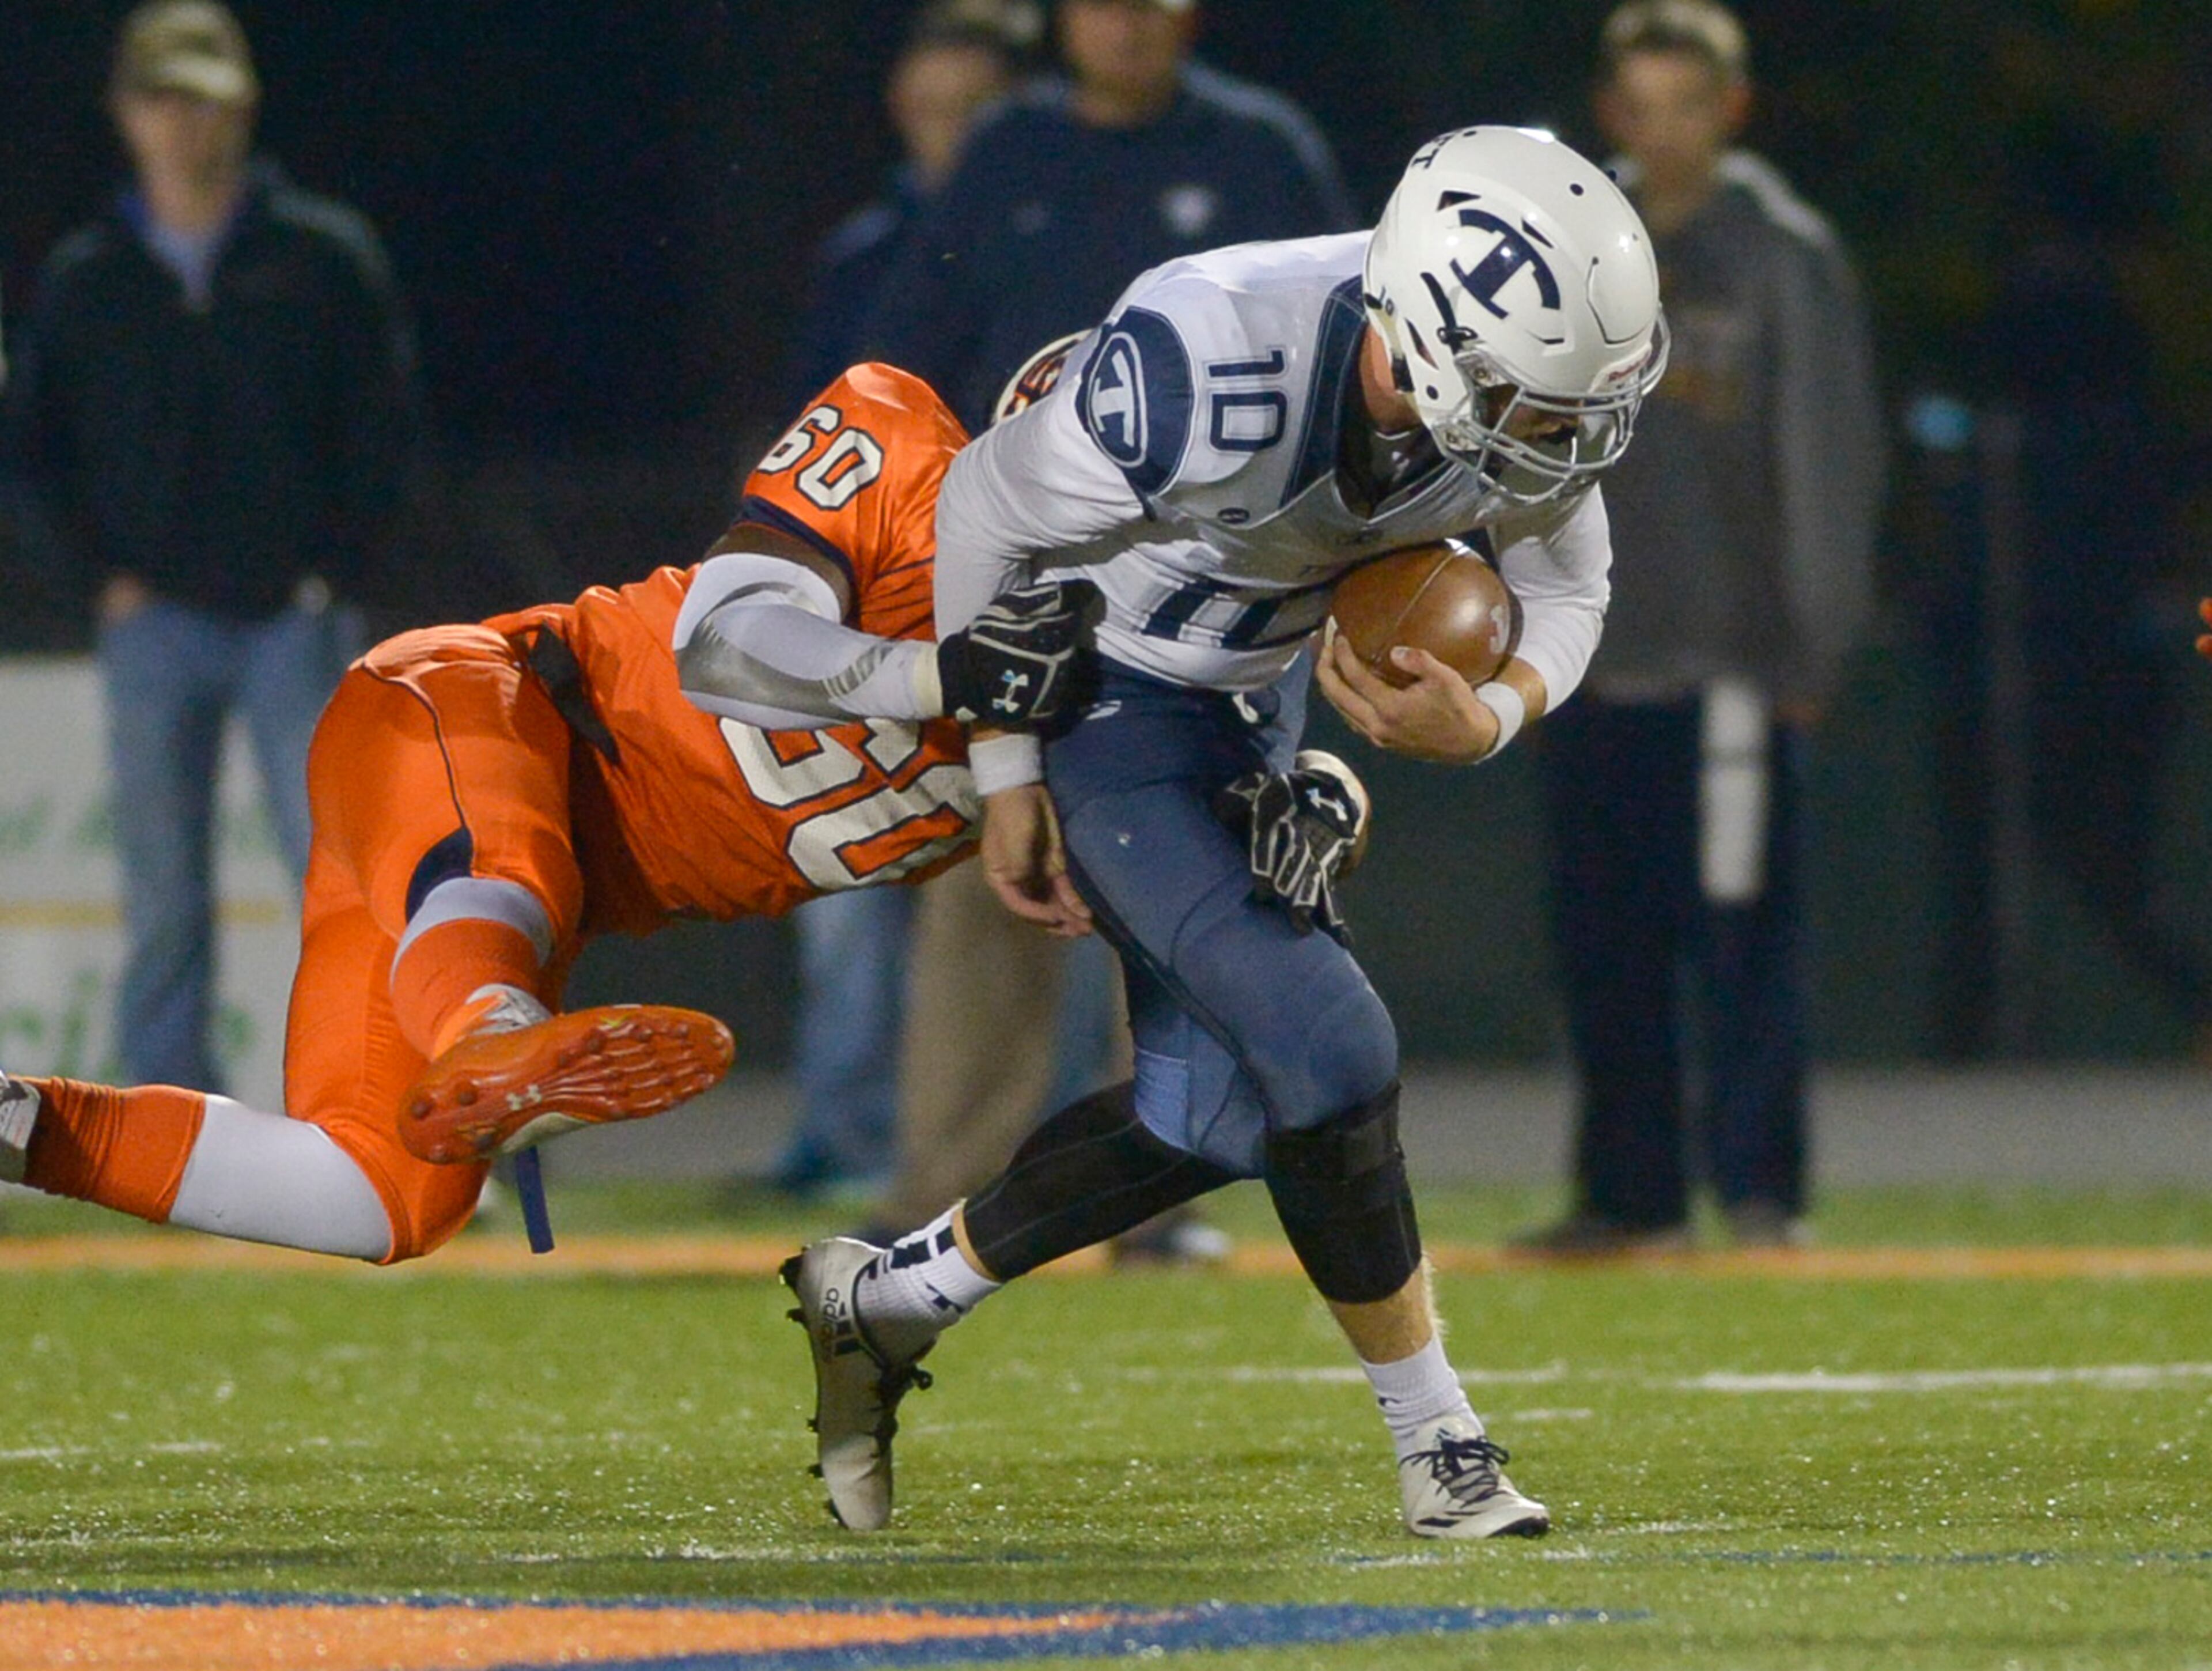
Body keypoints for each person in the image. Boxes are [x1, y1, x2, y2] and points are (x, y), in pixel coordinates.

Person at [782, 126, 1670, 1540]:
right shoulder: (1213, 361)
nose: (1558, 442)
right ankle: (1442, 1447)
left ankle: (887, 1298)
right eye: (1531, 403)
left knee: (1209, 1112)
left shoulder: (1494, 390)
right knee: (1332, 1050)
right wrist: (1005, 767)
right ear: (1431, 339)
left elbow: (1576, 586)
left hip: (1245, 717)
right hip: (1106, 690)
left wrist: (1488, 716)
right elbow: (983, 508)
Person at [0, 363, 1099, 1260]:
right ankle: (493, 1032)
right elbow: (726, 644)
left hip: (506, 899)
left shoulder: (1129, 687)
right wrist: (945, 679)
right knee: (507, 876)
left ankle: (23, 1126)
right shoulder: (900, 438)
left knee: (380, 1199)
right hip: (487, 710)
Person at [859, 0, 1358, 1255]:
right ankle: (943, 1195)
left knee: (1192, 864)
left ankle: (1164, 1188)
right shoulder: (1008, 150)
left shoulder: (1262, 150)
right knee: (989, 876)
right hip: (1028, 557)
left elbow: (1356, 348)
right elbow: (915, 347)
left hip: (1216, 578)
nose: (1128, 25)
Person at [1512, 0, 1883, 1256]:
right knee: (1604, 940)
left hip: (1730, 665)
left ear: (1732, 109)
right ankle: (1630, 1197)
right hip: (1588, 657)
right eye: (1638, 106)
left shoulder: (1780, 252)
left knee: (1739, 939)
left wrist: (1811, 646)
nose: (1659, 133)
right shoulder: (1564, 237)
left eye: (1686, 105)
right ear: (1610, 112)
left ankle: (1762, 1193)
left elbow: (1828, 460)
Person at [0, 1, 423, 1094]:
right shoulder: (87, 274)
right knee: (165, 904)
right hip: (156, 626)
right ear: (125, 114)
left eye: (207, 96)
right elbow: (33, 452)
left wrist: (338, 573)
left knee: (342, 884)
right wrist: (97, 581)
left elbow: (385, 431)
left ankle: (380, 1105)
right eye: (164, 98)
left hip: (295, 616)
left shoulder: (325, 257)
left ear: (246, 106)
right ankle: (169, 1138)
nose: (188, 122)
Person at [766, 0, 1043, 1205]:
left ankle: (1036, 1149)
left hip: (1021, 593)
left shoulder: (1038, 229)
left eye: (973, 114)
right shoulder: (872, 252)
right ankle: (846, 1131)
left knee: (1016, 872)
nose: (950, 137)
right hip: (884, 607)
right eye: (932, 113)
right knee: (846, 874)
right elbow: (813, 432)